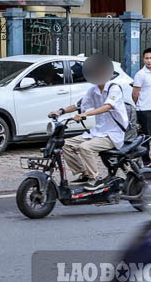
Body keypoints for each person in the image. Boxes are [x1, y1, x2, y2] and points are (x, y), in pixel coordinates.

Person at [49, 53, 128, 192]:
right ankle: (84, 174)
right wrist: (60, 111)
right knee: (66, 145)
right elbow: (79, 105)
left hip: (112, 134)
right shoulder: (93, 90)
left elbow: (107, 107)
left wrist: (86, 114)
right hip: (98, 132)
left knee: (86, 147)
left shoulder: (114, 88)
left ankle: (95, 178)